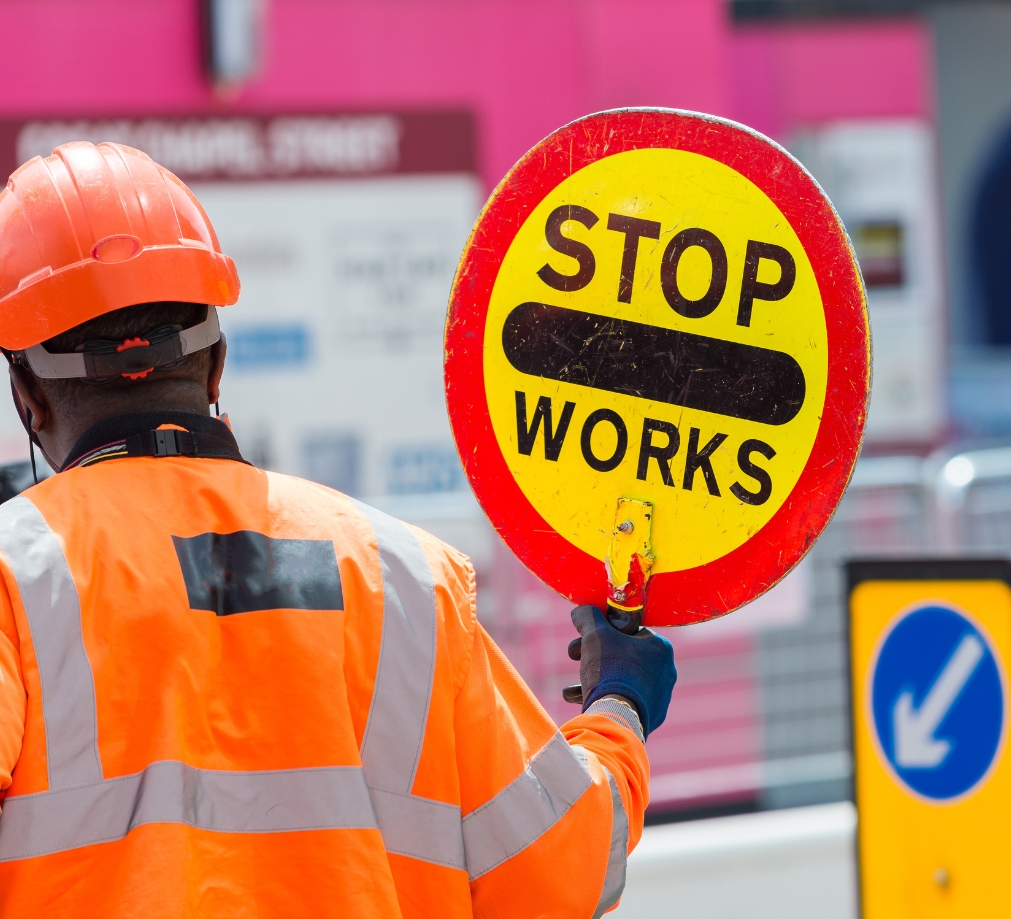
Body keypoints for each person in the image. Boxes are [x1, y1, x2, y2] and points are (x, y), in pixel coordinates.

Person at [0, 141, 676, 917]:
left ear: (30, 400)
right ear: (217, 364)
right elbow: (568, 867)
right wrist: (617, 705)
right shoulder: (404, 579)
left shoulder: (16, 578)